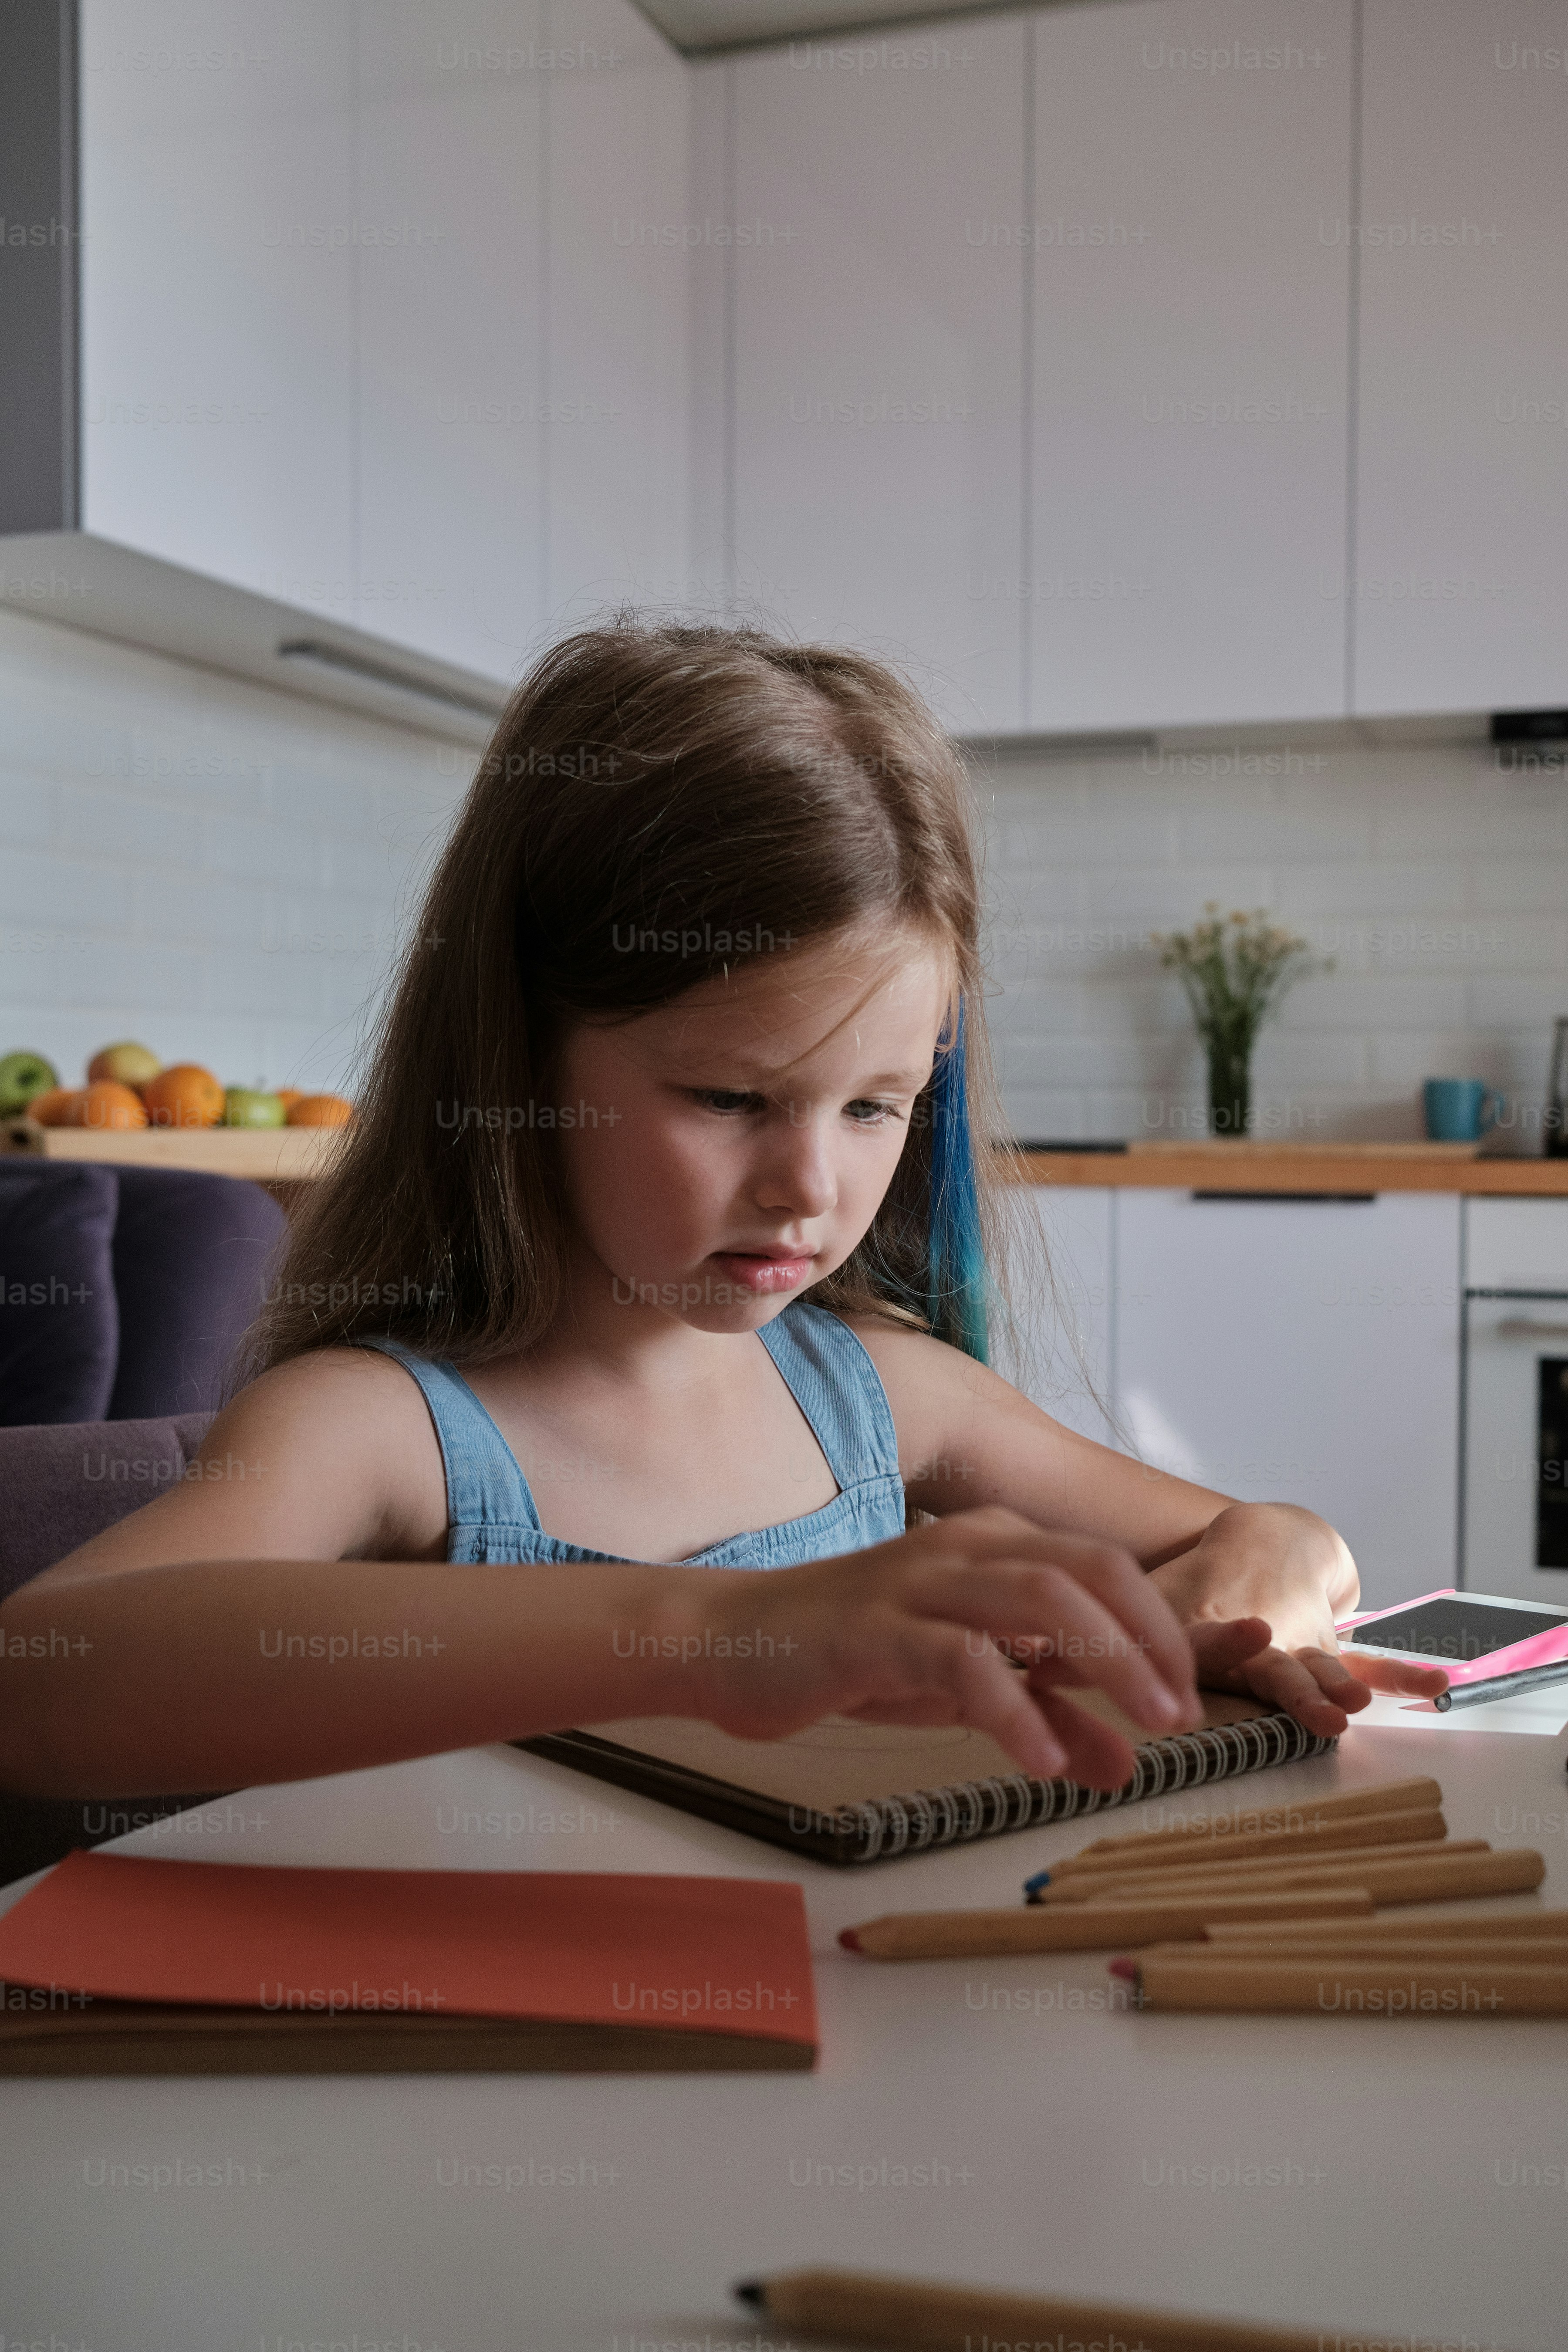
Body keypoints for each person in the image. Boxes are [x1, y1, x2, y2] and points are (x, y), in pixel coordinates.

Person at [0, 621, 1444, 1800]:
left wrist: (1237, 1603)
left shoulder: (886, 1399)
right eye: (730, 1098)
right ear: (521, 1057)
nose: (810, 1187)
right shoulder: (382, 1433)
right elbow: (43, 1680)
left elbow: (1292, 1541)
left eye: (877, 1106)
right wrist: (715, 1635)